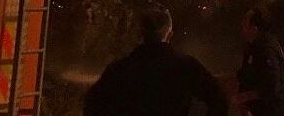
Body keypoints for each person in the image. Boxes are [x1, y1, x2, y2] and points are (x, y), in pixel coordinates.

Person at [84, 7, 228, 116]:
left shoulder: (118, 70)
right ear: (170, 35)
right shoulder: (186, 67)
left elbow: (92, 105)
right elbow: (219, 101)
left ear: (140, 33)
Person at [235, 7, 284, 116]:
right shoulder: (253, 47)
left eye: (245, 24)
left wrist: (245, 97)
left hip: (270, 110)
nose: (242, 27)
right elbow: (246, 75)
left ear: (254, 29)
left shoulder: (266, 50)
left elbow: (272, 86)